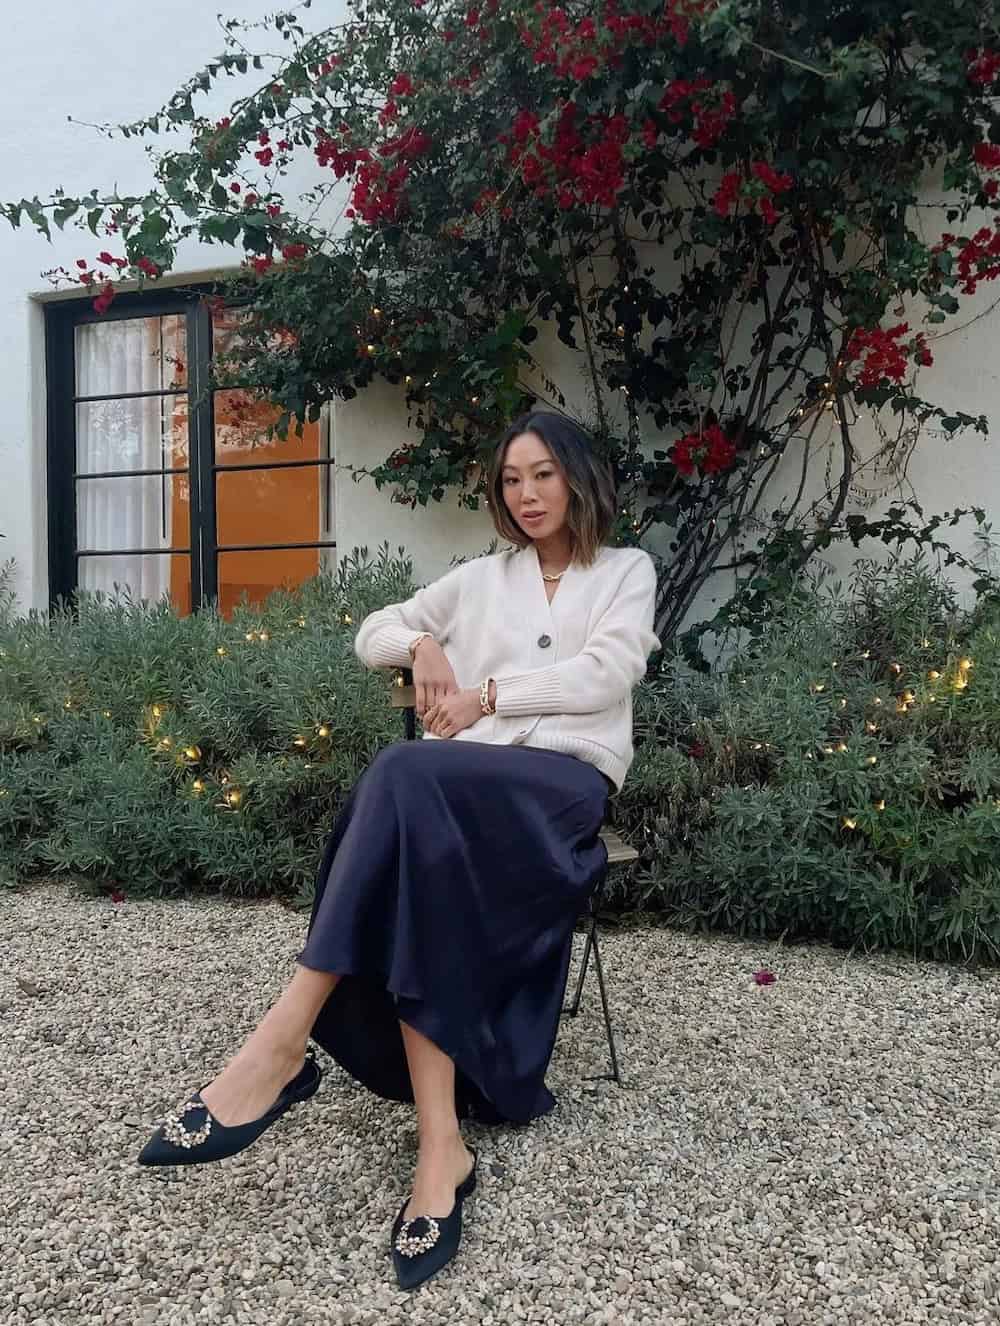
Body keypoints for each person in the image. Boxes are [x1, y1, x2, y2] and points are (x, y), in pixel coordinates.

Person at [138, 410, 659, 1290]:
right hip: (461, 802)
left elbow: (605, 675)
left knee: (408, 773)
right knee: (420, 815)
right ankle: (439, 1149)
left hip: (561, 792)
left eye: (542, 475)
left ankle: (282, 1040)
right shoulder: (479, 580)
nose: (526, 495)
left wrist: (485, 692)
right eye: (510, 481)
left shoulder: (624, 571)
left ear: (576, 476)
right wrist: (422, 644)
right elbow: (371, 629)